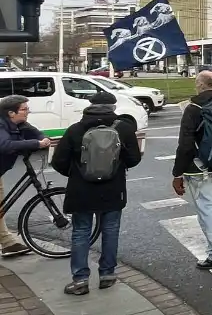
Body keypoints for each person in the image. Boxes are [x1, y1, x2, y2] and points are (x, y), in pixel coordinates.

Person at [52, 91, 142, 295]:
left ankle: (80, 279)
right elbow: (134, 159)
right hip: (113, 189)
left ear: (90, 105)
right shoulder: (123, 129)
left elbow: (59, 161)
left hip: (81, 190)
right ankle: (107, 274)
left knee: (81, 232)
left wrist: (78, 172)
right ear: (113, 107)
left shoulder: (75, 129)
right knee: (110, 230)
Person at [172, 71, 212, 270]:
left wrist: (177, 173)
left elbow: (185, 145)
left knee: (205, 209)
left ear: (201, 84)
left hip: (198, 166)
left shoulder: (193, 108)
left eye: (196, 81)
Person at [0, 95, 50, 258]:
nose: (28, 112)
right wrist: (36, 144)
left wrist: (43, 139)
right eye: (24, 109)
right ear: (11, 113)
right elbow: (5, 145)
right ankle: (8, 243)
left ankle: (8, 244)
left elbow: (35, 133)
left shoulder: (19, 123)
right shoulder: (0, 124)